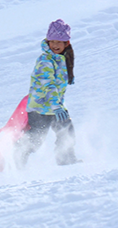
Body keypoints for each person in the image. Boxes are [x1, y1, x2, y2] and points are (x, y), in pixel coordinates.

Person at [14, 19, 79, 168]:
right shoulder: (45, 60)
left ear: (66, 44)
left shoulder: (61, 59)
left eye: (59, 42)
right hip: (40, 108)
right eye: (52, 41)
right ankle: (17, 156)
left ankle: (66, 161)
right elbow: (47, 85)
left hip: (54, 106)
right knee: (36, 139)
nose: (55, 45)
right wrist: (56, 106)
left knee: (67, 132)